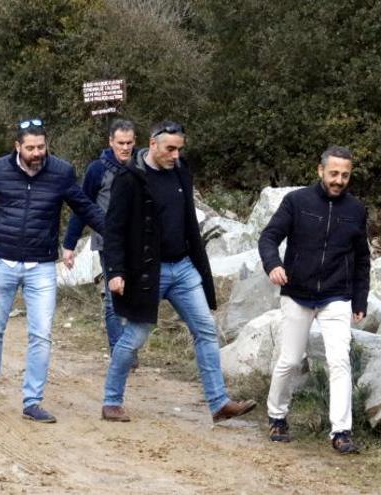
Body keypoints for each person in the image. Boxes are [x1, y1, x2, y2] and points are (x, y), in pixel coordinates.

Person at [101, 121, 256, 424]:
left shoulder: (181, 171)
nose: (175, 155)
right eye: (170, 149)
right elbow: (114, 230)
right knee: (134, 336)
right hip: (147, 272)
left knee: (205, 330)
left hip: (183, 268)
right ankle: (111, 401)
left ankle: (219, 403)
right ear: (153, 143)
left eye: (179, 149)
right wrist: (116, 272)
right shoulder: (130, 178)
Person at [0, 119, 106, 423]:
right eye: (31, 148)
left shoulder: (61, 172)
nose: (37, 153)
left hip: (41, 266)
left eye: (41, 147)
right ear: (18, 147)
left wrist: (118, 233)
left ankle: (32, 402)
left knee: (41, 335)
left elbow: (85, 208)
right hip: (2, 262)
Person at [258, 146, 368, 454]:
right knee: (290, 360)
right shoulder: (297, 201)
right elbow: (268, 237)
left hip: (337, 295)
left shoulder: (356, 210)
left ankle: (341, 431)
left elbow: (362, 260)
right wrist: (273, 265)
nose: (338, 180)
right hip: (297, 292)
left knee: (339, 361)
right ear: (320, 170)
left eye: (345, 175)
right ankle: (277, 415)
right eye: (333, 173)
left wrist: (360, 299)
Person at [62, 119, 136, 362]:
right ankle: (120, 353)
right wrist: (69, 245)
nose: (125, 148)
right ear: (110, 142)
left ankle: (129, 347)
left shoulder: (141, 166)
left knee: (135, 296)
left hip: (137, 242)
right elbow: (81, 206)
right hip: (109, 243)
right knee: (113, 296)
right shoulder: (97, 169)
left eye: (129, 143)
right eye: (120, 143)